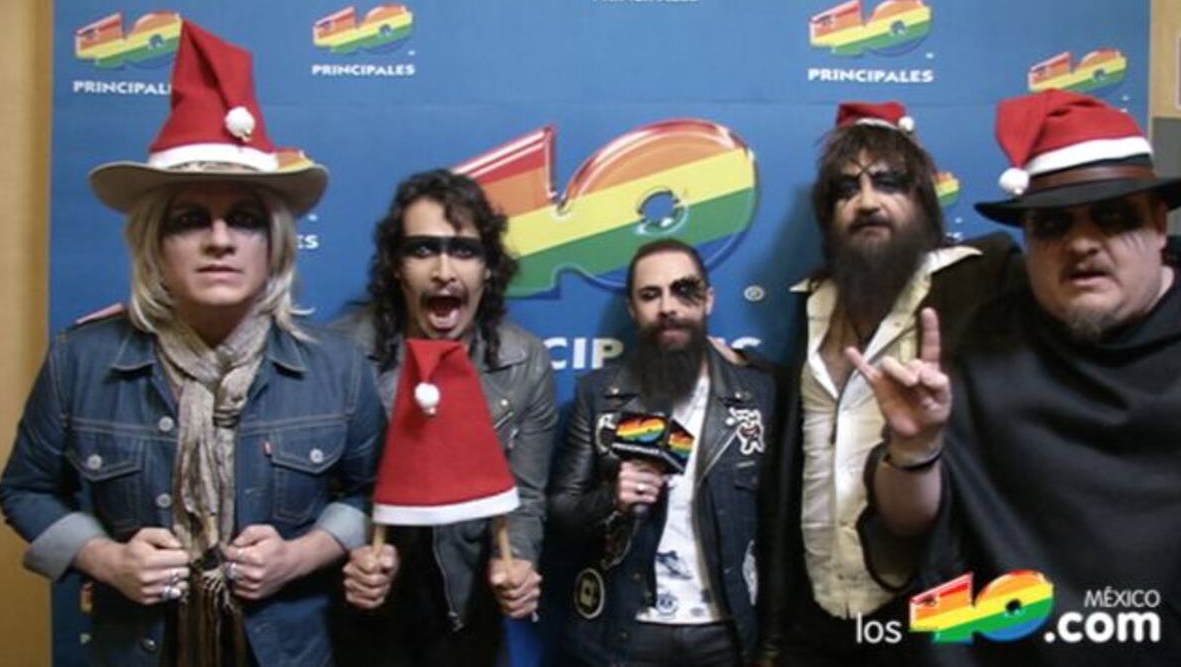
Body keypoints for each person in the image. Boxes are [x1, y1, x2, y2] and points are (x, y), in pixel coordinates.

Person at [0, 22, 381, 666]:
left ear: (274, 246)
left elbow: (373, 492)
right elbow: (25, 490)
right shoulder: (81, 360)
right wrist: (107, 560)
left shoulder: (336, 365)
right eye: (191, 220)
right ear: (155, 244)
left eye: (245, 220)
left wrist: (299, 556)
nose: (220, 240)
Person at [855, 90, 1181, 665]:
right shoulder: (980, 344)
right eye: (1053, 224)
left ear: (1158, 225)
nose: (1082, 244)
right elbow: (906, 525)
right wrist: (914, 449)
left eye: (1112, 218)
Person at [755, 101, 1021, 665]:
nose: (867, 201)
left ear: (923, 198)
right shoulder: (810, 303)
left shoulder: (981, 280)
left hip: (936, 616)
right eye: (846, 189)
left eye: (888, 182)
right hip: (816, 615)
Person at [335, 169, 557, 666]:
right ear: (396, 266)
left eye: (464, 251)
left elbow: (526, 497)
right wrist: (352, 550)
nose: (443, 271)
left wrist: (517, 563)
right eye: (422, 250)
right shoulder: (341, 353)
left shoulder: (525, 361)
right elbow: (322, 491)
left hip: (466, 615)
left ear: (488, 268)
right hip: (362, 613)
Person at [549, 239, 775, 666]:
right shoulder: (600, 395)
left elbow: (780, 525)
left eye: (683, 290)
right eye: (651, 295)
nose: (668, 307)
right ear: (633, 309)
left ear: (708, 300)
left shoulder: (759, 394)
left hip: (725, 634)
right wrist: (611, 498)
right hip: (624, 631)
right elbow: (559, 512)